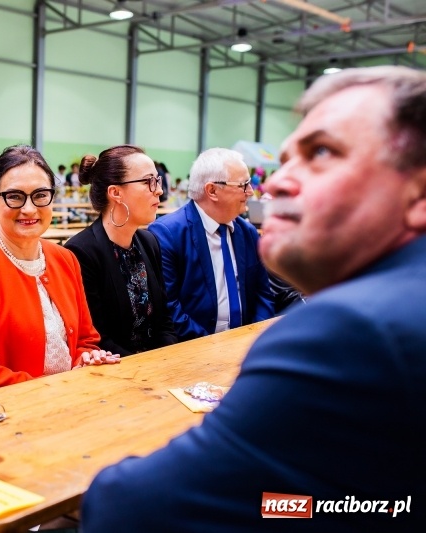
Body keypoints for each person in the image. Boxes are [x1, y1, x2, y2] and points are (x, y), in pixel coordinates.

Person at [81, 66, 426, 531]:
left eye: (322, 152)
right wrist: (301, 505)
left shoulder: (351, 327)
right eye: (286, 160)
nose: (275, 185)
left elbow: (129, 506)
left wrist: (294, 504)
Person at [0, 145, 119, 390]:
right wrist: (53, 389)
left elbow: (86, 339)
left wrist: (86, 358)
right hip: (7, 413)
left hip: (71, 400)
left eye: (41, 195)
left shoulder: (65, 259)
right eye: (15, 196)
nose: (29, 208)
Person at [148, 148, 274, 341]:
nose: (250, 192)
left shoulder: (247, 232)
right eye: (243, 185)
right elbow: (169, 307)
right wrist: (211, 347)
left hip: (246, 344)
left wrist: (255, 337)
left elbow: (263, 294)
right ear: (212, 190)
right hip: (192, 348)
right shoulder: (168, 234)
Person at [65, 145, 177, 355]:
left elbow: (164, 321)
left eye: (158, 180)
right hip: (115, 371)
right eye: (148, 182)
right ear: (115, 192)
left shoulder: (149, 242)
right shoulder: (81, 252)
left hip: (158, 367)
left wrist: (167, 360)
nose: (159, 190)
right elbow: (97, 338)